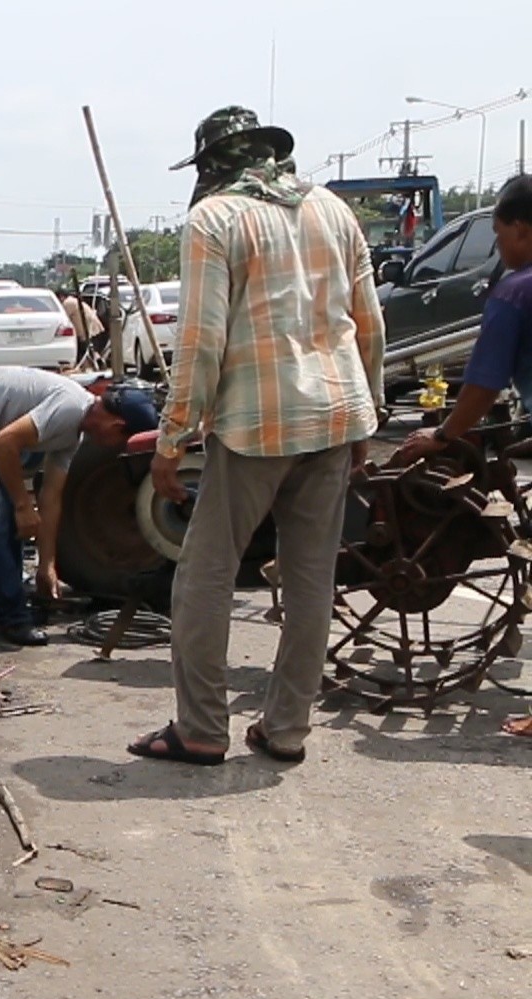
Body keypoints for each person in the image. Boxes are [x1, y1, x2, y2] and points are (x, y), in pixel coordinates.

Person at [130, 106, 385, 767]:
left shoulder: (213, 219)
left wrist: (173, 436)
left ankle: (202, 728)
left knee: (204, 577)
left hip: (254, 426)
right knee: (310, 579)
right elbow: (369, 324)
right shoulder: (334, 210)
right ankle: (286, 730)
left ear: (211, 164)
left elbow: (201, 339)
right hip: (333, 416)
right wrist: (370, 413)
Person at [393, 174, 532, 734]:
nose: (499, 251)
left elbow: (481, 384)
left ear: (521, 230)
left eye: (500, 238)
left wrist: (443, 437)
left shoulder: (516, 291)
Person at [0, 367, 158, 647]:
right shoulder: (70, 408)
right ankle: (12, 617)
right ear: (116, 426)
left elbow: (51, 497)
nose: (115, 446)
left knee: (7, 516)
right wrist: (23, 506)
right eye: (121, 441)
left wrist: (47, 565)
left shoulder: (73, 434)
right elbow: (4, 443)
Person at [56, 287, 105, 365]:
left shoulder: (67, 303)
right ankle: (98, 361)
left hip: (89, 330)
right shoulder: (73, 301)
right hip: (93, 328)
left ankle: (92, 364)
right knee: (89, 349)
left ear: (61, 296)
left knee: (86, 349)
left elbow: (62, 319)